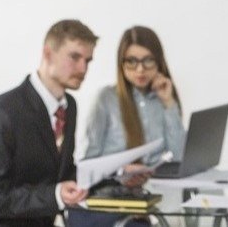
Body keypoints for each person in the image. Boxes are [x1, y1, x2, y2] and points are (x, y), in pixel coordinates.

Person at [0, 20, 98, 227]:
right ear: (48, 53)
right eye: (74, 57)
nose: (83, 68)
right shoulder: (1, 113)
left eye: (88, 61)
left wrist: (114, 176)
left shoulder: (69, 106)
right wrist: (55, 195)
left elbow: (60, 171)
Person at [70, 26, 185, 226]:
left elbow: (179, 157)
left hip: (154, 197)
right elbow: (86, 163)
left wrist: (169, 104)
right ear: (121, 63)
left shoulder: (162, 99)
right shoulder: (105, 99)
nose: (140, 69)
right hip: (113, 199)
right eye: (131, 61)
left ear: (159, 61)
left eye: (148, 60)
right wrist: (120, 170)